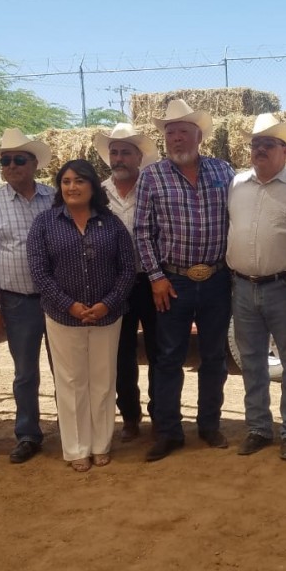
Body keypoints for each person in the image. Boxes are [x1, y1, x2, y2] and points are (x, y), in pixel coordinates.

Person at [134, 99, 235, 462]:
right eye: (170, 132)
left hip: (216, 280)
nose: (176, 138)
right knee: (168, 358)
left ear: (199, 136)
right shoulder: (151, 176)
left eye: (183, 131)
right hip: (172, 282)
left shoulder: (224, 172)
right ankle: (169, 431)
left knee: (213, 357)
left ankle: (209, 425)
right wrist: (157, 278)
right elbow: (142, 233)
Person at [27, 159, 135, 472]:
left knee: (103, 381)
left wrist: (107, 303)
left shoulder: (111, 223)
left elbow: (127, 269)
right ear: (60, 187)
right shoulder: (45, 224)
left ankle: (101, 445)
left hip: (107, 316)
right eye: (66, 181)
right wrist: (69, 305)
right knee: (71, 383)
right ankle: (76, 449)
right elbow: (39, 272)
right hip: (62, 317)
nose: (72, 187)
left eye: (79, 181)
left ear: (92, 186)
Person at [0, 128, 55, 464]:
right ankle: (28, 435)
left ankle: (76, 431)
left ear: (34, 164)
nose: (13, 165)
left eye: (20, 159)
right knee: (25, 374)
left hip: (59, 300)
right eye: (6, 160)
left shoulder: (55, 197)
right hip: (18, 302)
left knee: (66, 371)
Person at [227, 113, 286, 460]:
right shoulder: (235, 184)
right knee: (251, 361)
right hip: (242, 287)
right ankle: (258, 427)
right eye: (255, 143)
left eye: (268, 144)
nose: (259, 149)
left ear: (285, 151)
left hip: (284, 286)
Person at [93, 123, 159, 441]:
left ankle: (161, 414)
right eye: (114, 152)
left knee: (160, 352)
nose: (119, 158)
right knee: (120, 355)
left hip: (152, 281)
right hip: (113, 286)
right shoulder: (97, 193)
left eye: (126, 152)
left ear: (139, 156)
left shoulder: (152, 188)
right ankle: (131, 417)